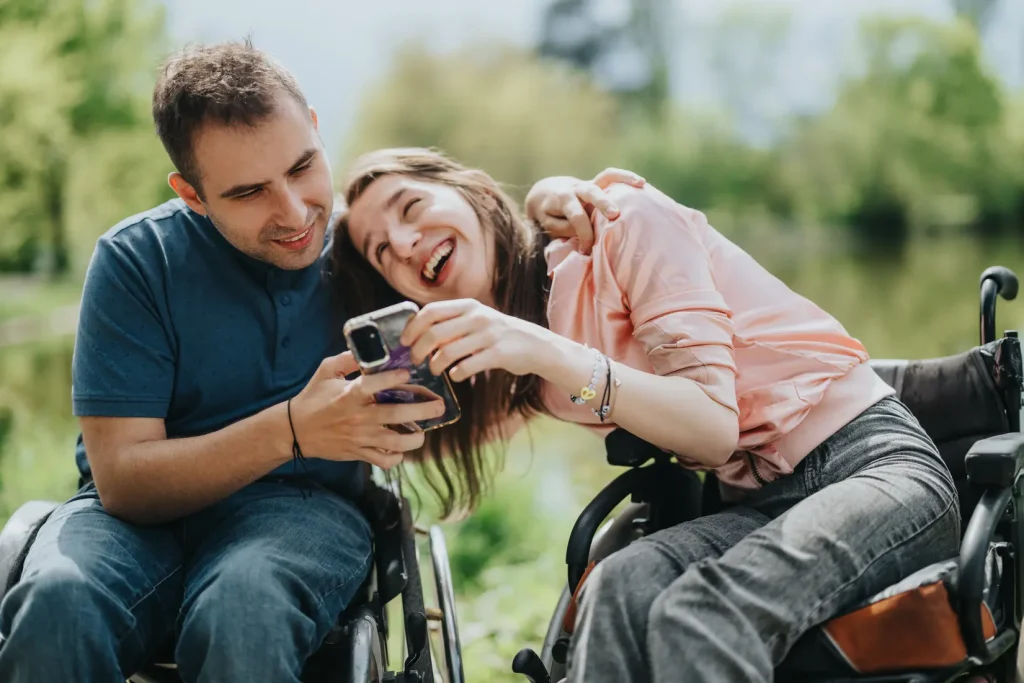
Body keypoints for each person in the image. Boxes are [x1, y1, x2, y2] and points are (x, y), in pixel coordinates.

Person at [331, 147, 962, 683]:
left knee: (705, 613)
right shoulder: (517, 362)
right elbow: (405, 440)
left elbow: (714, 429)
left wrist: (547, 345)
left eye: (412, 209)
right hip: (755, 508)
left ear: (470, 193)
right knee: (616, 587)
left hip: (875, 468)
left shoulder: (618, 223)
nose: (405, 243)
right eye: (381, 252)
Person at [0, 42, 453, 683]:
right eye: (248, 193)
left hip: (304, 512)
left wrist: (555, 199)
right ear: (192, 195)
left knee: (245, 608)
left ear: (318, 131)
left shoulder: (372, 250)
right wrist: (293, 429)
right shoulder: (137, 261)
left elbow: (488, 248)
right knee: (57, 604)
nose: (294, 213)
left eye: (302, 167)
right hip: (129, 522)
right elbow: (125, 481)